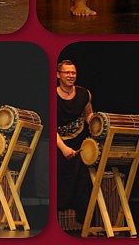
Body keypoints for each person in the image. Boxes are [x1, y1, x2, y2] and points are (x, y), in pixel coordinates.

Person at [55, 60, 94, 228]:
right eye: (67, 73)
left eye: (73, 73)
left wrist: (97, 121)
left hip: (80, 142)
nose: (71, 76)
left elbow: (89, 114)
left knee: (85, 181)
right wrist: (63, 148)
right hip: (58, 143)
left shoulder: (84, 94)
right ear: (58, 75)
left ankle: (86, 224)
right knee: (58, 180)